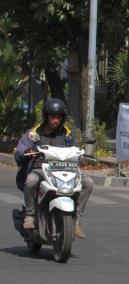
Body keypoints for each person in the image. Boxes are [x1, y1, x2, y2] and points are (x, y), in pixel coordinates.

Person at [14, 98, 93, 239]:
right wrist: (26, 151)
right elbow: (20, 150)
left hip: (66, 170)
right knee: (31, 181)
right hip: (41, 170)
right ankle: (30, 215)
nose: (56, 119)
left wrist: (81, 151)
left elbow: (75, 148)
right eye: (53, 116)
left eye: (59, 117)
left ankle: (75, 219)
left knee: (88, 182)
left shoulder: (67, 135)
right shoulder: (34, 133)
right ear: (46, 116)